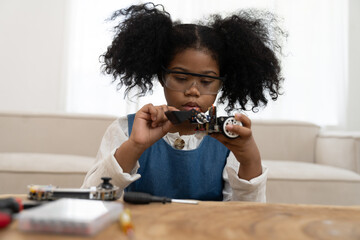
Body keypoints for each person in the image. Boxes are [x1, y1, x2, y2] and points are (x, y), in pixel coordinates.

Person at [82, 2, 284, 202]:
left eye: (206, 81)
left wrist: (250, 160)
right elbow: (91, 201)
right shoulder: (126, 130)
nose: (193, 91)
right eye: (180, 78)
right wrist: (135, 145)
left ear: (221, 84)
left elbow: (247, 218)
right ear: (162, 77)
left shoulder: (229, 142)